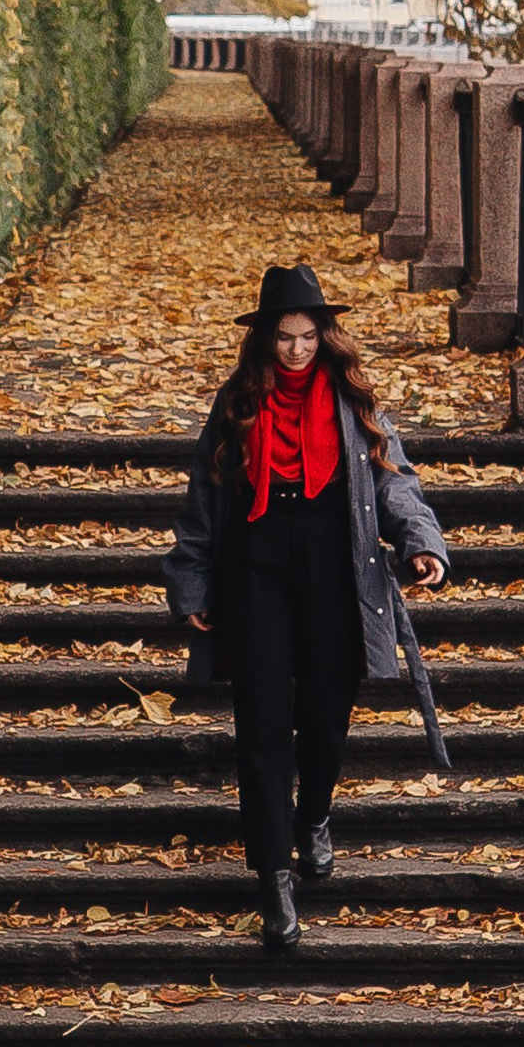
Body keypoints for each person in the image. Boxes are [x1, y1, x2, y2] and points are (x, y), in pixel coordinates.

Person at [166, 264, 451, 949]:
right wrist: (195, 585)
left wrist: (420, 542)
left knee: (326, 715)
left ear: (325, 337)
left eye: (307, 337)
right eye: (285, 339)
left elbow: (394, 482)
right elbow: (203, 504)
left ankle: (314, 815)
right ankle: (274, 880)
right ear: (266, 341)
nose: (297, 350)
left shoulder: (353, 400)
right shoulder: (236, 403)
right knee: (262, 727)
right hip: (256, 565)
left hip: (333, 560)